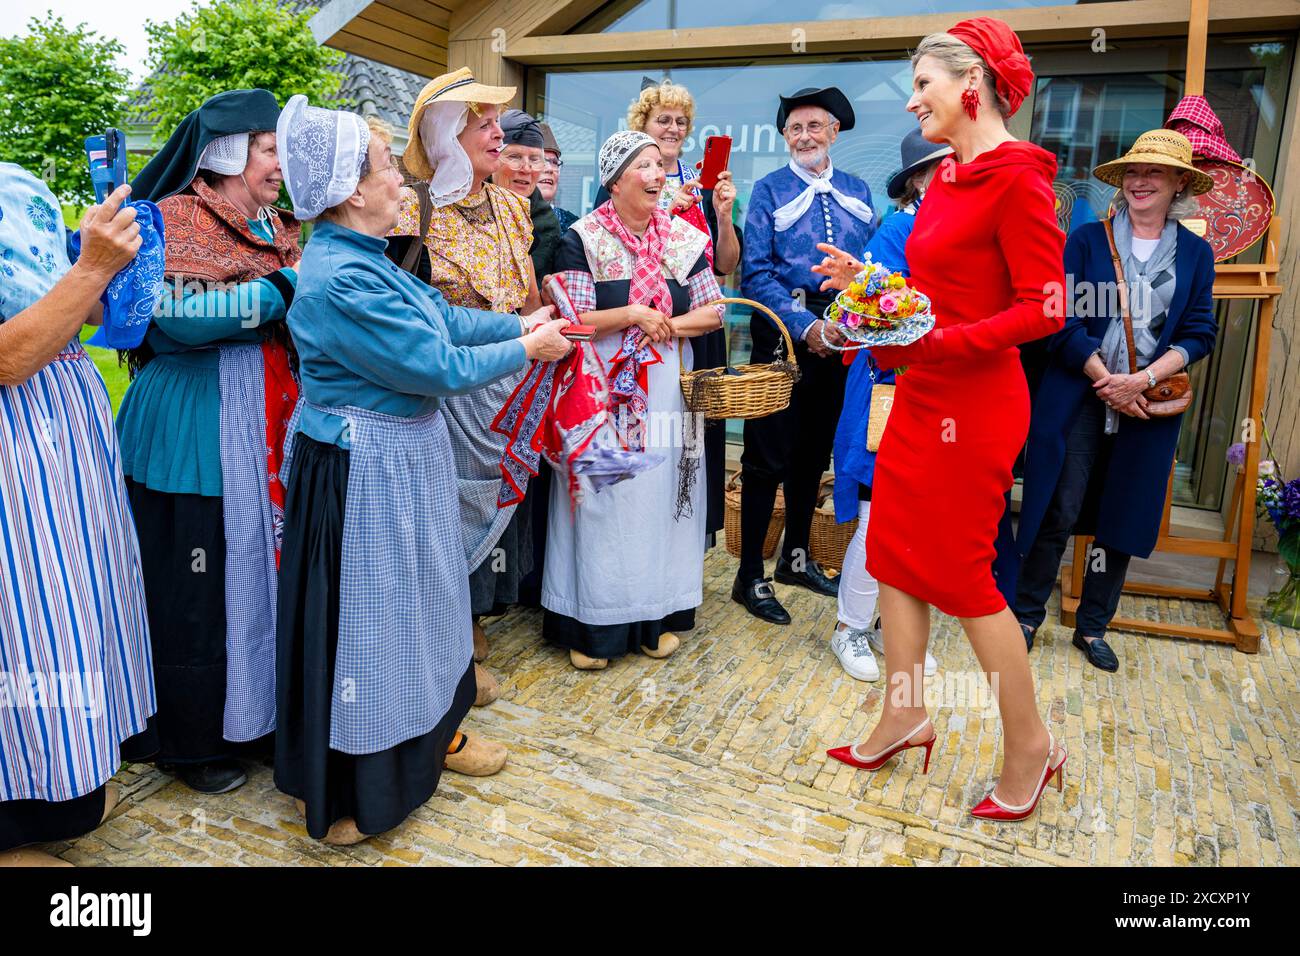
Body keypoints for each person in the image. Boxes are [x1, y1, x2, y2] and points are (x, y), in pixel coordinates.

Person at [273, 97, 570, 844]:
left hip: (396, 461)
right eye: (383, 169)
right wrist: (527, 350)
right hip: (361, 468)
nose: (401, 180)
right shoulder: (340, 278)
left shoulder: (364, 258)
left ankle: (426, 742)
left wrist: (516, 322)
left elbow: (441, 319)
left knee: (418, 610)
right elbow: (434, 364)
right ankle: (355, 790)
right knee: (371, 626)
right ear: (350, 192)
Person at [818, 18, 1068, 823]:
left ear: (972, 85)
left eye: (923, 84)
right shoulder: (950, 179)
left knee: (963, 577)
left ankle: (1031, 744)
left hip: (977, 401)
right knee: (891, 552)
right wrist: (872, 285)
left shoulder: (1019, 179)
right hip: (923, 393)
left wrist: (937, 341)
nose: (912, 101)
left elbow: (1046, 310)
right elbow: (940, 288)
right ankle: (903, 712)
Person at [115, 89, 300, 795]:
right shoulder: (167, 219)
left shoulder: (273, 222)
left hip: (264, 421)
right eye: (267, 148)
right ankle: (187, 742)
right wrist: (281, 290)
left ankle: (249, 718)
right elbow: (173, 319)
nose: (279, 164)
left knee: (253, 578)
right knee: (196, 584)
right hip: (192, 430)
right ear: (225, 152)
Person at [1014, 129, 1217, 670]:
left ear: (1178, 184)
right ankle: (1027, 613)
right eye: (1133, 172)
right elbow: (1063, 319)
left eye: (1154, 173)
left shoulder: (1197, 254)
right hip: (1082, 393)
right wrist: (1107, 377)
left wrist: (1144, 379)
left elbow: (1200, 332)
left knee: (1121, 517)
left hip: (1148, 407)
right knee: (1059, 505)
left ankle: (1094, 625)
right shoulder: (1085, 240)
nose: (1141, 181)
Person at [0, 169, 157, 865]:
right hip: (13, 431)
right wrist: (93, 264)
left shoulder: (18, 183)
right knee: (23, 622)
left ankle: (58, 783)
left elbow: (85, 316)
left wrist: (121, 263)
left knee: (72, 611)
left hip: (64, 420)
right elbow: (7, 358)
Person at [543, 130, 725, 670]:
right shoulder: (584, 237)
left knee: (662, 498)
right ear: (614, 181)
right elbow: (572, 320)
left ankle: (654, 619)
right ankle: (592, 627)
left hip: (669, 386)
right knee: (605, 501)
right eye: (642, 166)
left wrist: (664, 321)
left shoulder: (683, 240)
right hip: (599, 387)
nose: (656, 174)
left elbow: (713, 311)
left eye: (658, 166)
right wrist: (630, 315)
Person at [391, 69, 543, 689]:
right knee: (453, 503)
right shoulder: (415, 210)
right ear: (447, 136)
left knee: (499, 499)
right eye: (481, 124)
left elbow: (526, 285)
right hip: (453, 384)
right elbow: (408, 308)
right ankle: (454, 629)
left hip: (514, 371)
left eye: (493, 122)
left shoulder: (511, 203)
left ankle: (481, 612)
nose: (497, 133)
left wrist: (538, 333)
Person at [733, 85, 876, 625]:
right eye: (795, 129)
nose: (805, 136)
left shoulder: (859, 189)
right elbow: (757, 274)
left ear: (834, 132)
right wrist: (805, 324)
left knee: (814, 454)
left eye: (814, 127)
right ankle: (749, 575)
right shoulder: (769, 190)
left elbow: (871, 268)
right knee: (766, 456)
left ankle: (795, 560)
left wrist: (846, 323)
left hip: (844, 336)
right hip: (782, 330)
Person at [828, 127, 949, 681]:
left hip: (939, 390)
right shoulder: (900, 227)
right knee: (880, 513)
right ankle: (849, 627)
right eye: (943, 166)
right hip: (890, 387)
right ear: (920, 179)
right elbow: (868, 314)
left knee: (920, 516)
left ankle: (885, 622)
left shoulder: (960, 231)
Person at [492, 109, 564, 284]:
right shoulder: (468, 205)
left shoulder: (546, 224)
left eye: (534, 159)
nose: (526, 168)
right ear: (493, 157)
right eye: (514, 156)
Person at [537, 122, 578, 232]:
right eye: (541, 160)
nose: (549, 169)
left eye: (554, 162)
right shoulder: (505, 220)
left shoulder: (574, 227)